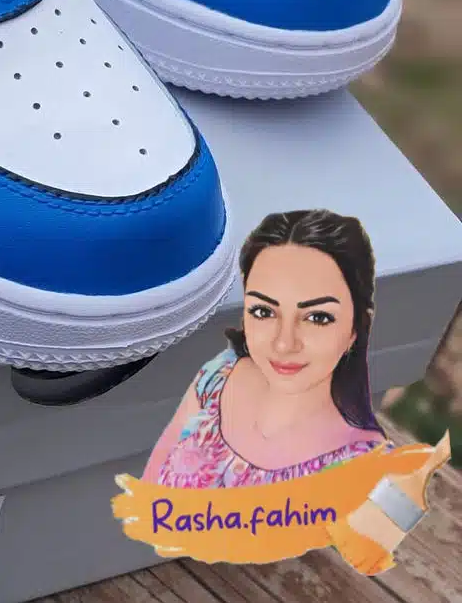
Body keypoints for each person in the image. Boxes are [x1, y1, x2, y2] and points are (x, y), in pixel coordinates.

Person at [143, 209, 389, 488]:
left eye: (318, 318)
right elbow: (144, 495)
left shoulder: (369, 472)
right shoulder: (218, 376)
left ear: (356, 327)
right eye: (263, 311)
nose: (284, 344)